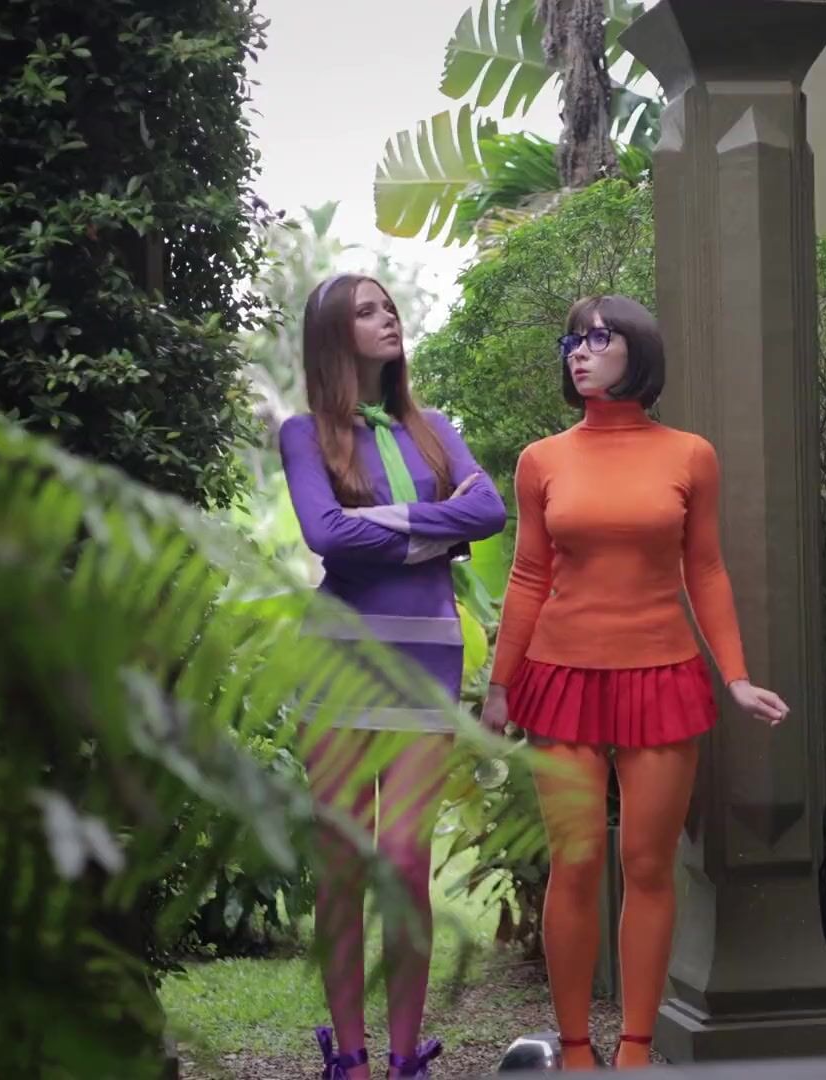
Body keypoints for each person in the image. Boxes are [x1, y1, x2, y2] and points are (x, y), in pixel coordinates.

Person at [480, 295, 789, 1070]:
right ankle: (576, 1051)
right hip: (561, 679)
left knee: (649, 867)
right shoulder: (542, 460)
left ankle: (636, 1052)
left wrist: (737, 677)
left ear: (638, 351)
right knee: (576, 863)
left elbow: (705, 569)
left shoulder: (690, 455)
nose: (579, 352)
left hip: (662, 676)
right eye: (572, 342)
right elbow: (527, 575)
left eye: (598, 338)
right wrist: (500, 686)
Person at [280, 272, 509, 1080]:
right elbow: (324, 535)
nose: (388, 318)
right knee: (344, 862)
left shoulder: (435, 429)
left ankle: (407, 1058)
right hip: (338, 662)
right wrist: (435, 531)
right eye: (365, 311)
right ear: (333, 337)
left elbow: (490, 514)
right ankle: (350, 1057)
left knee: (406, 861)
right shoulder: (305, 434)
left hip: (425, 661)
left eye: (388, 306)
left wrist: (380, 525)